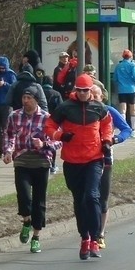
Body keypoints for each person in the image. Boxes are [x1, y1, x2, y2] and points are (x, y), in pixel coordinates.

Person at [44, 73, 113, 260]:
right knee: (79, 200)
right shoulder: (65, 108)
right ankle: (84, 237)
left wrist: (106, 141)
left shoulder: (99, 107)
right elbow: (49, 125)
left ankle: (95, 238)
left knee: (92, 196)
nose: (82, 94)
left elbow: (107, 125)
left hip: (94, 159)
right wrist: (60, 136)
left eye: (86, 91)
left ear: (91, 90)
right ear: (75, 90)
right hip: (72, 161)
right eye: (79, 90)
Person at [2, 88, 61, 253]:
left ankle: (36, 237)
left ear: (36, 100)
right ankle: (26, 220)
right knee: (24, 196)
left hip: (41, 162)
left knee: (39, 201)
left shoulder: (47, 118)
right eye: (24, 97)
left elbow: (59, 140)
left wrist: (44, 144)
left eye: (28, 98)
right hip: (21, 160)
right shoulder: (14, 116)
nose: (25, 101)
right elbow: (9, 135)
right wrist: (8, 151)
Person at [90, 85, 132, 250]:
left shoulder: (108, 111)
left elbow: (127, 129)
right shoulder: (79, 112)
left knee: (102, 197)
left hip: (105, 159)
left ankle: (100, 233)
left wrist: (115, 139)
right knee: (87, 196)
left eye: (96, 95)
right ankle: (88, 233)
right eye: (90, 94)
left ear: (102, 97)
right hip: (85, 160)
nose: (92, 97)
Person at [113, 49, 135, 134]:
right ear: (131, 56)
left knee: (123, 109)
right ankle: (133, 130)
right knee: (133, 110)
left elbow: (115, 79)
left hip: (121, 89)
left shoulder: (118, 66)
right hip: (131, 89)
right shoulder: (133, 65)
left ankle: (123, 129)